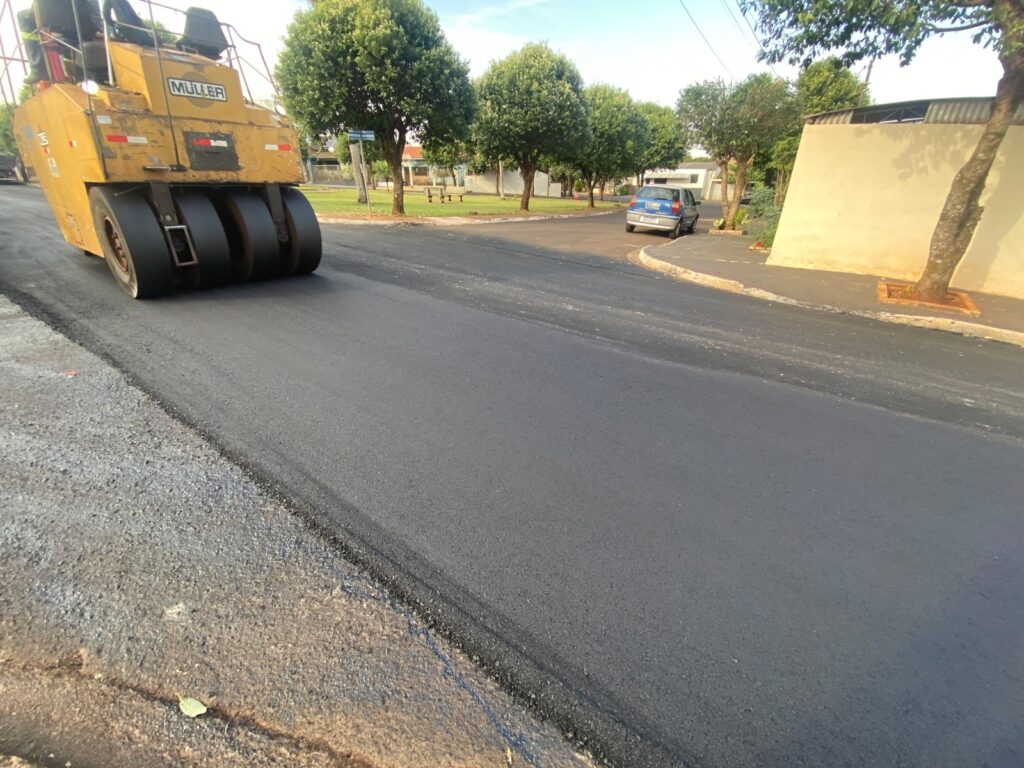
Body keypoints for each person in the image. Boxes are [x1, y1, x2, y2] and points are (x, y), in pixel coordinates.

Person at [17, 0, 103, 84]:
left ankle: (38, 69)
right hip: (92, 24)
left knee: (23, 17)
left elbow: (39, 8)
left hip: (72, 23)